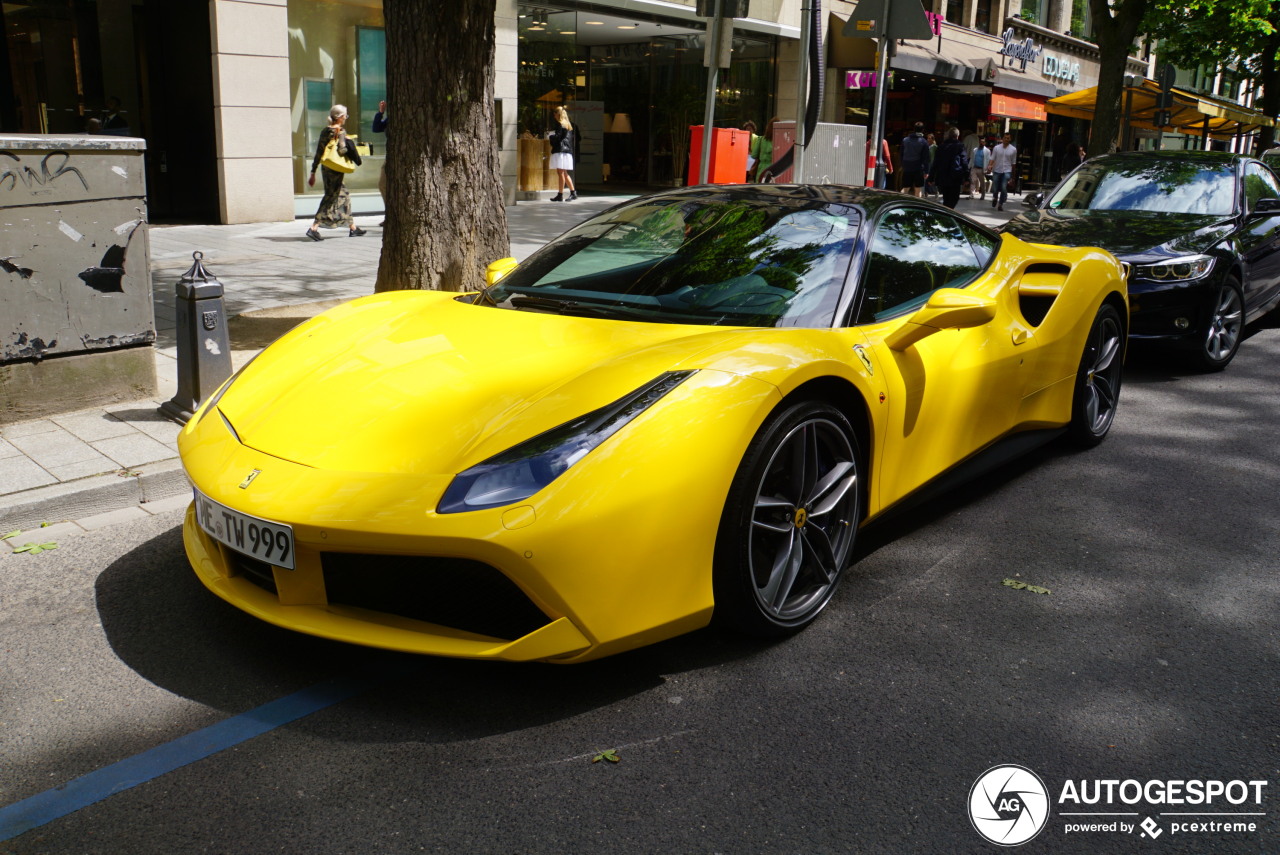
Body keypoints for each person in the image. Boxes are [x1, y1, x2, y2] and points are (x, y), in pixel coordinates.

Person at [306, 104, 365, 241]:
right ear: (340, 117)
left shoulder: (325, 131)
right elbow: (342, 151)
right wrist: (349, 142)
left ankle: (353, 228)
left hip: (326, 167)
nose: (346, 118)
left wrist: (313, 171)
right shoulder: (340, 131)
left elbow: (319, 152)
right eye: (345, 116)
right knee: (331, 196)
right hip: (336, 168)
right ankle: (313, 228)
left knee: (343, 195)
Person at [930, 127, 968, 210]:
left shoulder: (941, 147)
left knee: (946, 198)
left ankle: (947, 212)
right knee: (953, 198)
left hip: (943, 177)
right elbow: (964, 162)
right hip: (955, 177)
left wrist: (931, 177)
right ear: (957, 136)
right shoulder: (960, 146)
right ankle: (948, 213)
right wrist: (967, 177)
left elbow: (935, 163)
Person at [547, 105, 577, 202]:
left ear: (557, 114)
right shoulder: (567, 124)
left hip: (561, 151)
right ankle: (572, 193)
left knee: (561, 173)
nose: (554, 116)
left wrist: (550, 136)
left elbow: (558, 137)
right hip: (566, 151)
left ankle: (561, 194)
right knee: (563, 173)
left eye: (555, 114)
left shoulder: (561, 124)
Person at [987, 132, 1017, 212]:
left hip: (1007, 171)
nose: (1006, 139)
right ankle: (995, 198)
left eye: (1008, 138)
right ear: (1002, 138)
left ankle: (1000, 204)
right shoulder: (996, 148)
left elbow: (1013, 163)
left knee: (1004, 187)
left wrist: (1013, 177)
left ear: (1010, 139)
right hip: (997, 170)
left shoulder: (1013, 150)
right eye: (1005, 138)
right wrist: (989, 166)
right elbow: (992, 158)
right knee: (995, 187)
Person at [900, 122, 929, 197]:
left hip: (907, 167)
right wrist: (926, 171)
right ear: (922, 130)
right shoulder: (924, 142)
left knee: (905, 188)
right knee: (917, 189)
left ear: (914, 129)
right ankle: (917, 206)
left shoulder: (905, 140)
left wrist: (902, 165)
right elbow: (926, 158)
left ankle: (901, 202)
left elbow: (901, 154)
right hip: (918, 168)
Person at [373, 100, 388, 226]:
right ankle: (390, 214)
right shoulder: (390, 119)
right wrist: (380, 113)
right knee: (382, 184)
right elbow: (376, 128)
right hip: (390, 157)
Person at [751, 117, 777, 182]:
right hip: (774, 168)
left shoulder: (761, 139)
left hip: (761, 168)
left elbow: (754, 155)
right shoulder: (778, 140)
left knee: (760, 187)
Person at [923, 133, 939, 198]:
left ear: (933, 139)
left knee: (933, 179)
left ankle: (936, 191)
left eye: (930, 138)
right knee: (926, 179)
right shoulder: (926, 146)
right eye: (928, 138)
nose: (928, 139)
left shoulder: (935, 147)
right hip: (927, 165)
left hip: (932, 165)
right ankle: (926, 192)